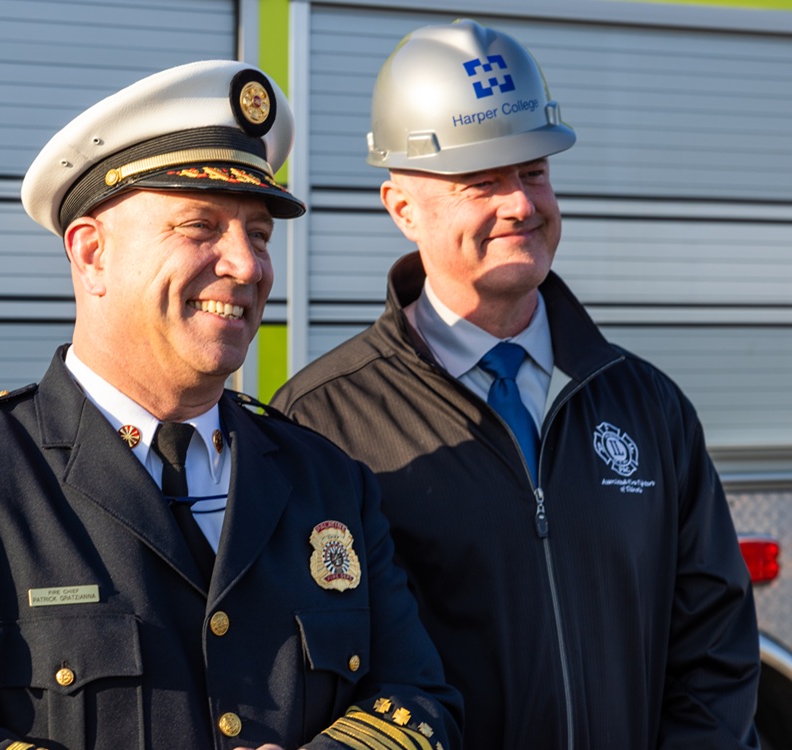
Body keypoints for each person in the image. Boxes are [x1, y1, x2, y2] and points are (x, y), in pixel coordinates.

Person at [0, 59, 462, 750]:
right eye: (200, 227)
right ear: (91, 253)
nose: (248, 266)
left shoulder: (328, 480)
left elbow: (416, 697)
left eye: (258, 234)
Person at [272, 19, 760, 749]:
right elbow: (313, 679)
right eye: (483, 182)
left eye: (533, 172)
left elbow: (714, 655)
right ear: (402, 207)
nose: (522, 205)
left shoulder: (647, 405)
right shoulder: (322, 423)